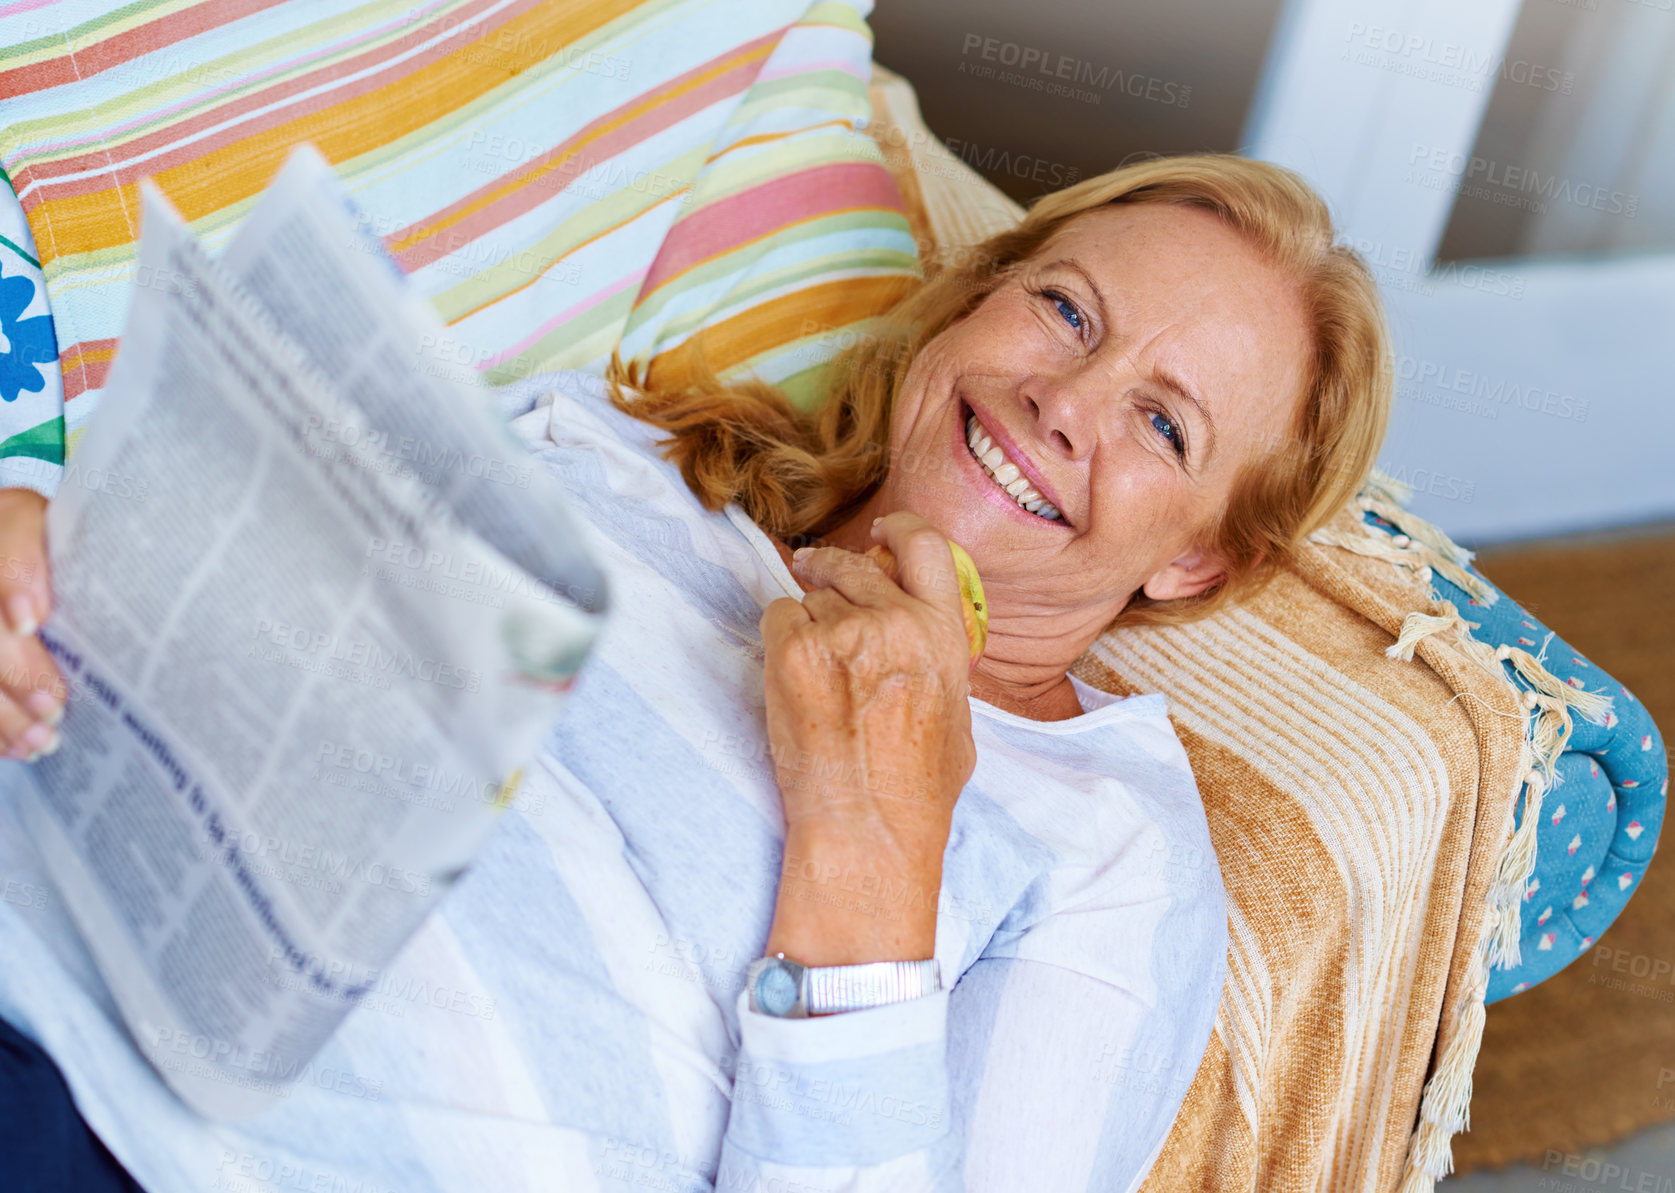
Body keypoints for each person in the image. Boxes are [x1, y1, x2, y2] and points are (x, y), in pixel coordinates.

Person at [0, 152, 1391, 1191]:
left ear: (1200, 563)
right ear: (970, 306)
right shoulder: (622, 459)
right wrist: (50, 552)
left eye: (1162, 423)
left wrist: (874, 855)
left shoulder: (1109, 849)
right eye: (1067, 313)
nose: (1066, 402)